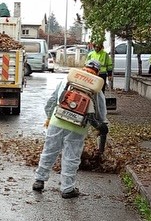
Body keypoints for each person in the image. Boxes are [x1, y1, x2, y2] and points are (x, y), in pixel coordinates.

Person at [33, 59, 109, 198]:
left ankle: (39, 180)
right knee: (71, 157)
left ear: (83, 67)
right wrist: (101, 125)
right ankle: (67, 189)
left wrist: (49, 117)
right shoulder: (96, 89)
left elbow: (52, 100)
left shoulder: (68, 80)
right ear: (97, 73)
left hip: (58, 120)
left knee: (49, 151)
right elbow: (100, 111)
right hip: (78, 126)